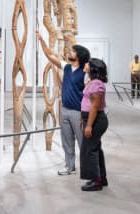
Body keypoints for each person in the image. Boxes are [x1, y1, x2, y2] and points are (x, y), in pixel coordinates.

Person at [36, 31, 90, 177]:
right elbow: (49, 55)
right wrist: (41, 40)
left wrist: (85, 114)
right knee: (67, 141)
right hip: (65, 110)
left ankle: (88, 170)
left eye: (72, 51)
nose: (69, 52)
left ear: (78, 56)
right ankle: (70, 166)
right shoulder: (66, 66)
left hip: (78, 112)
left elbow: (89, 96)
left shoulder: (85, 74)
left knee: (82, 142)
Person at [80, 58, 109, 191]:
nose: (85, 65)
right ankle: (101, 178)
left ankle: (96, 181)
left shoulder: (96, 84)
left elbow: (94, 107)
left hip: (95, 119)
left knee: (90, 150)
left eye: (88, 64)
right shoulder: (92, 82)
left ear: (93, 68)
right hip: (90, 118)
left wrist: (89, 125)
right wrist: (83, 118)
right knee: (95, 148)